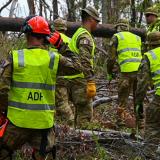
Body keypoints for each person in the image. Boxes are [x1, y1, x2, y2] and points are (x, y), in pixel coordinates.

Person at [0, 15, 81, 160]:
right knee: (45, 155)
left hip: (17, 122)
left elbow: (2, 89)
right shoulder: (54, 58)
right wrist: (62, 46)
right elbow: (78, 67)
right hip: (43, 124)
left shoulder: (15, 57)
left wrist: (3, 111)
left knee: (3, 151)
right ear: (46, 36)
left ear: (27, 33)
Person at [67, 6, 100, 128]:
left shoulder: (77, 33)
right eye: (97, 21)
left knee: (78, 114)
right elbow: (85, 61)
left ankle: (76, 141)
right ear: (91, 19)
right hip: (80, 80)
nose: (97, 24)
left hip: (73, 79)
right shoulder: (85, 36)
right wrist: (90, 81)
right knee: (85, 116)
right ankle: (85, 143)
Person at [107, 19, 142, 128]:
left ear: (118, 27)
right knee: (138, 98)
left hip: (126, 73)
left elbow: (111, 58)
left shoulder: (117, 37)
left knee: (122, 98)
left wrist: (109, 72)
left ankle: (120, 122)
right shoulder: (137, 38)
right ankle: (140, 122)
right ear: (127, 27)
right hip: (139, 72)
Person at [135, 31, 160, 156]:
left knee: (152, 126)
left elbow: (142, 84)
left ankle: (149, 154)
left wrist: (138, 103)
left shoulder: (149, 56)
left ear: (149, 44)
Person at [53, 18, 74, 126]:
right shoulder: (70, 40)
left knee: (61, 103)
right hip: (69, 76)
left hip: (56, 76)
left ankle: (71, 124)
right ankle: (61, 125)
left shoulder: (52, 39)